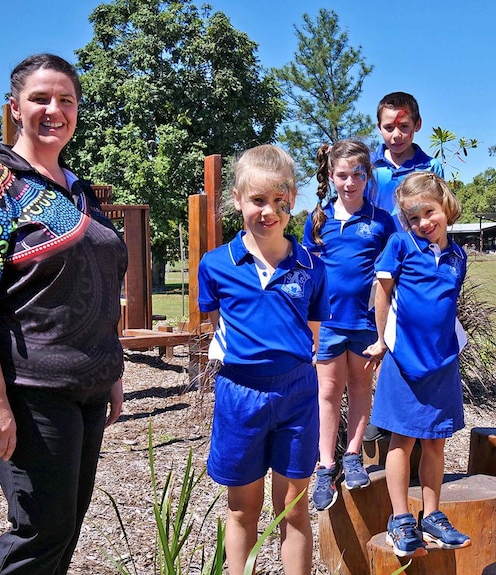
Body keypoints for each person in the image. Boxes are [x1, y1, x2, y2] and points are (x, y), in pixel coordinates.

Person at [0, 53, 127, 574]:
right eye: (40, 98)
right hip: (27, 388)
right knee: (39, 530)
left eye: (66, 100)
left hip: (87, 385)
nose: (55, 109)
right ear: (14, 108)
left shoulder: (80, 191)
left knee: (65, 524)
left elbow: (99, 284)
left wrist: (111, 371)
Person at [198, 144, 330, 575]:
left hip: (296, 393)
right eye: (257, 200)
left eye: (279, 200)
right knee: (242, 510)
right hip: (239, 395)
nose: (268, 211)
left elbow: (311, 332)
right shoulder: (215, 264)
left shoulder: (312, 265)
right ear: (237, 199)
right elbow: (216, 322)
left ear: (292, 199)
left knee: (293, 510)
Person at [364, 171, 472, 558]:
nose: (424, 222)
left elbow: (447, 307)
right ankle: (400, 518)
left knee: (435, 443)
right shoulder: (401, 245)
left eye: (429, 212)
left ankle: (432, 514)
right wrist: (379, 340)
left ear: (444, 206)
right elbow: (383, 293)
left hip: (441, 364)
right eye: (413, 218)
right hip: (403, 363)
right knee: (402, 441)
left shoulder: (458, 256)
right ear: (404, 221)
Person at [302, 141, 397, 512]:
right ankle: (326, 466)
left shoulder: (380, 221)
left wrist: (385, 330)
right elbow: (307, 276)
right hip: (326, 326)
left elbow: (392, 276)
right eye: (342, 175)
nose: (350, 182)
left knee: (360, 387)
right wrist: (307, 331)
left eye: (358, 174)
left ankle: (353, 456)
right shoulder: (317, 220)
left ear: (367, 176)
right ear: (330, 176)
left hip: (365, 325)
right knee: (327, 393)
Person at [367, 91, 445, 219]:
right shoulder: (366, 165)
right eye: (389, 127)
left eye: (404, 126)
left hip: (416, 239)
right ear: (379, 127)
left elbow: (437, 215)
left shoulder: (431, 168)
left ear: (417, 124)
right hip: (375, 239)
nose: (396, 135)